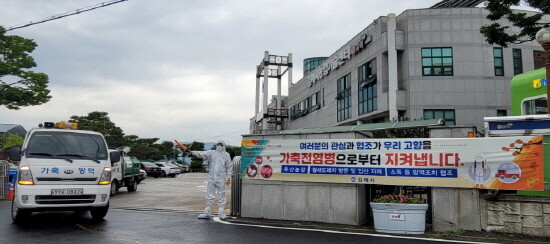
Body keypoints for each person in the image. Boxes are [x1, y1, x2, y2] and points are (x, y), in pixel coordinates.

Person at [187, 140, 232, 220]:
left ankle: (221, 212)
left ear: (224, 146)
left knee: (221, 195)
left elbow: (229, 166)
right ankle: (207, 212)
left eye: (220, 144)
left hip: (221, 178)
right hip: (211, 177)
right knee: (209, 195)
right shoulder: (211, 153)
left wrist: (228, 177)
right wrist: (192, 152)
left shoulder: (226, 155)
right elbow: (201, 153)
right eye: (218, 144)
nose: (219, 146)